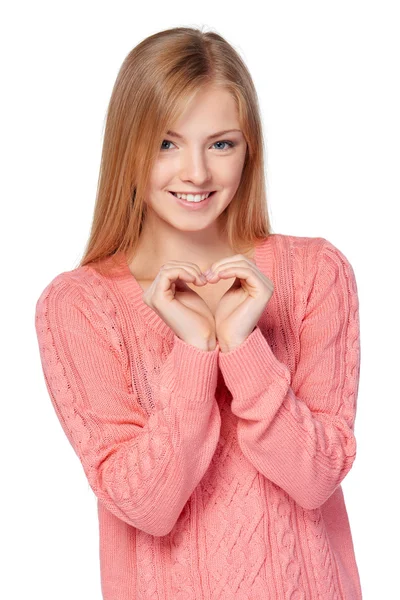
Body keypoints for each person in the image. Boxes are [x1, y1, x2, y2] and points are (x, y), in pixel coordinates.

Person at [34, 26, 362, 600]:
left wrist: (243, 349)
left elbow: (316, 479)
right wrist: (194, 353)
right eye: (167, 143)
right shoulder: (79, 307)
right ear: (126, 147)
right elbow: (147, 504)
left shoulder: (316, 273)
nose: (197, 173)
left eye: (221, 144)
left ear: (248, 148)